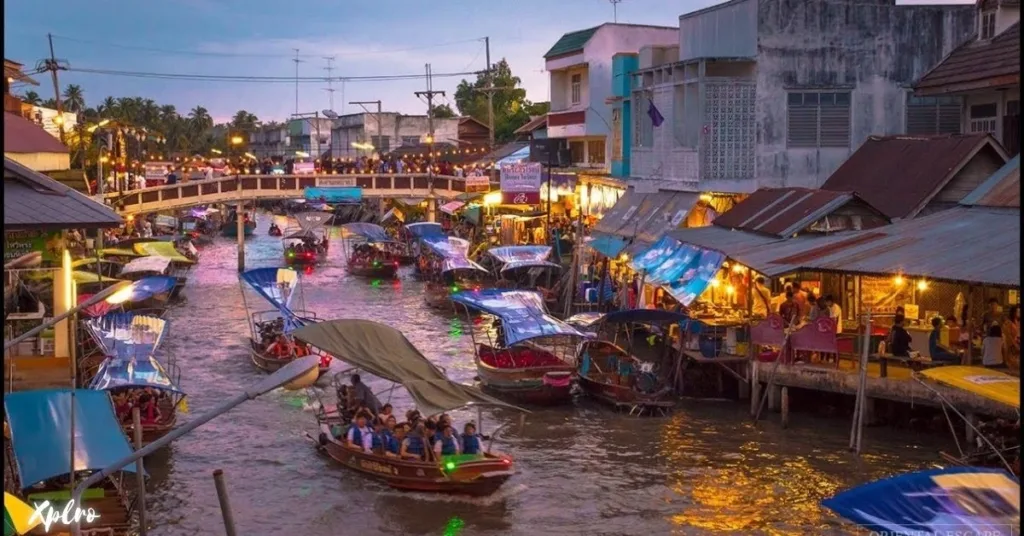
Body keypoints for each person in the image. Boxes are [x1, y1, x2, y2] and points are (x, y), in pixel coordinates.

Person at [1001, 305, 1020, 372]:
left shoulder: (1017, 322)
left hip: (1016, 343)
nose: (1019, 313)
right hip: (1009, 345)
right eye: (1018, 311)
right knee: (1011, 364)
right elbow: (1008, 335)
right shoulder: (1008, 322)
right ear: (1014, 312)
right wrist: (1015, 344)